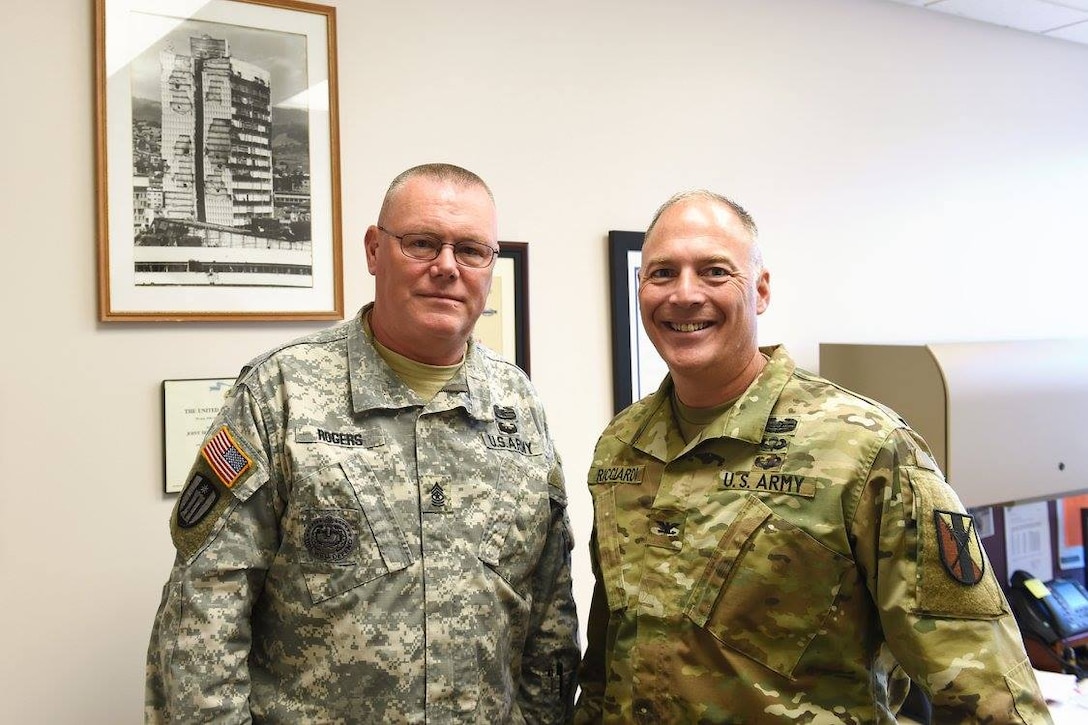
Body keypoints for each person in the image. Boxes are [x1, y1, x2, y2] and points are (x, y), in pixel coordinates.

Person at [574, 190, 1050, 723]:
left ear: (760, 291)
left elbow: (991, 692)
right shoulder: (623, 446)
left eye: (713, 271)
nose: (684, 294)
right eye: (662, 273)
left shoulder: (865, 448)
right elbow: (609, 659)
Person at [146, 163, 580, 723]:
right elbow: (203, 617)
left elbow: (549, 618)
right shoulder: (279, 395)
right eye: (422, 243)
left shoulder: (518, 408)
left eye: (471, 250)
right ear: (375, 250)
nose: (446, 267)